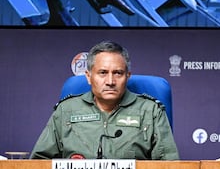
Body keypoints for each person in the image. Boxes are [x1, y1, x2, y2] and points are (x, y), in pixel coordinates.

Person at [30, 40, 179, 160]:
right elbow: (39, 164)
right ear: (88, 76)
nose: (110, 81)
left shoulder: (151, 111)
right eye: (102, 73)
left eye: (118, 73)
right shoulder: (66, 110)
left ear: (128, 76)